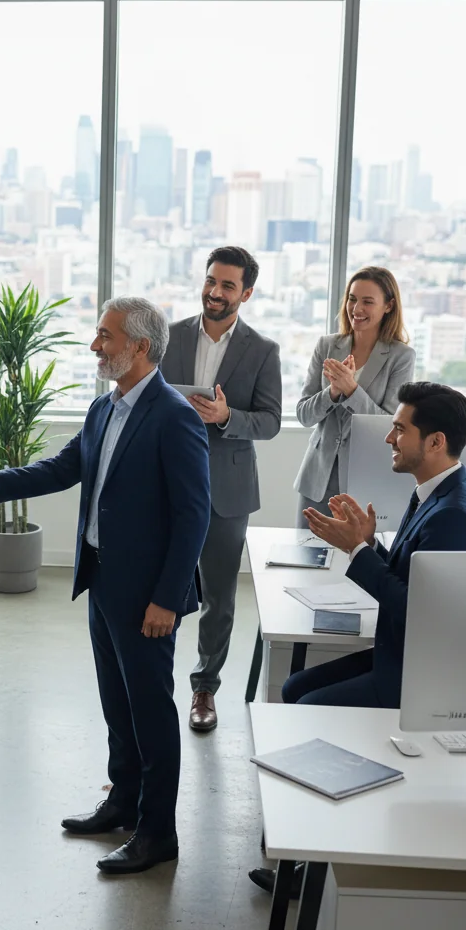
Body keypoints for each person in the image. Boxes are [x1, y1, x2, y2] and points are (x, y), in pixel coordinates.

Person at [0, 297, 211, 875]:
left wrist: (167, 599)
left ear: (140, 347)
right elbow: (62, 467)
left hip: (148, 594)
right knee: (117, 702)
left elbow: (193, 516)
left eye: (105, 336)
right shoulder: (104, 408)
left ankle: (158, 833)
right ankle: (123, 801)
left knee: (150, 711)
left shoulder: (175, 417)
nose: (95, 345)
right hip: (103, 578)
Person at [248, 383, 466, 896]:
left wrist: (359, 552)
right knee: (293, 688)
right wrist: (363, 545)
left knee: (306, 707)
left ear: (435, 442)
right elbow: (410, 585)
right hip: (398, 654)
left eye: (400, 429)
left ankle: (310, 861)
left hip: (415, 678)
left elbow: (423, 613)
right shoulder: (435, 495)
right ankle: (301, 849)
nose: (388, 438)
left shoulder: (453, 515)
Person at [159, 245, 281, 731]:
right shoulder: (168, 336)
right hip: (166, 484)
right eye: (211, 280)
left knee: (219, 597)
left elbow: (271, 421)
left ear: (245, 293)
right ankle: (153, 680)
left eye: (228, 285)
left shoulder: (263, 350)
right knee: (158, 584)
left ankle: (204, 687)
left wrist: (228, 416)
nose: (215, 291)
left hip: (227, 492)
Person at [293, 266, 415, 526]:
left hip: (366, 479)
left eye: (368, 301)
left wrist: (351, 390)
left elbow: (389, 425)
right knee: (307, 549)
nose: (356, 308)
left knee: (358, 551)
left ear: (388, 306)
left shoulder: (401, 356)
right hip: (318, 479)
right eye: (352, 298)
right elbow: (304, 415)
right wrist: (332, 392)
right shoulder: (326, 345)